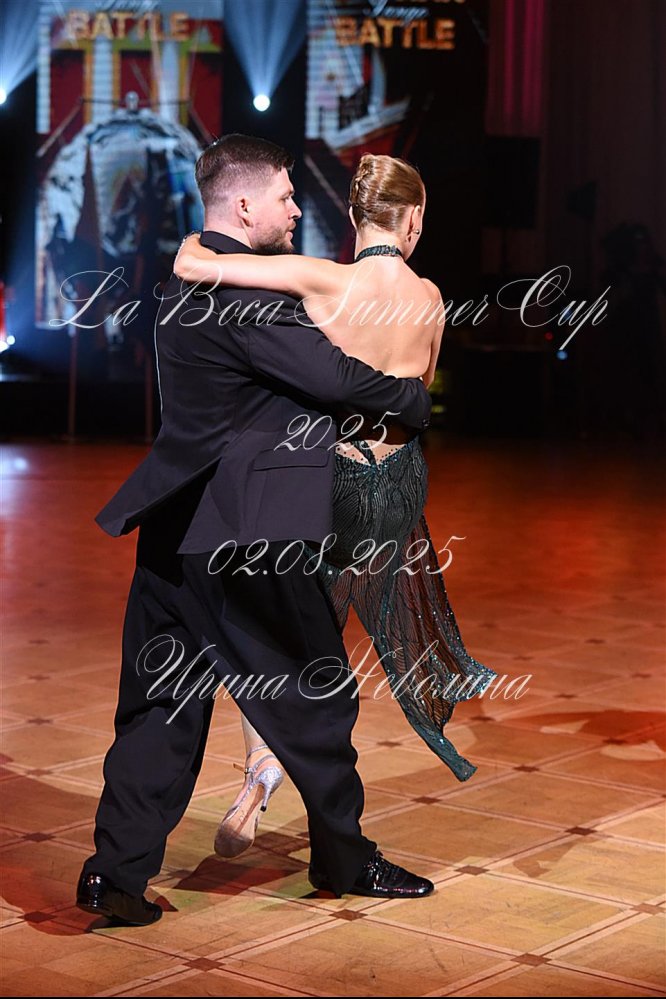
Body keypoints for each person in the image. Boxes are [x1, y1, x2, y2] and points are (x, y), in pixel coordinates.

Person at [76, 134, 436, 927]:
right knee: (318, 696)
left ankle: (115, 875)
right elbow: (333, 378)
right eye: (284, 196)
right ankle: (346, 859)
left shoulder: (186, 279)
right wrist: (414, 400)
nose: (296, 208)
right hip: (249, 533)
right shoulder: (246, 296)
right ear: (244, 205)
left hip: (175, 527)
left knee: (161, 704)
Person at [174, 153, 496, 861]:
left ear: (353, 217)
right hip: (401, 489)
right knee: (323, 634)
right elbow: (421, 390)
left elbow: (197, 267)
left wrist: (193, 238)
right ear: (413, 219)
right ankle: (314, 795)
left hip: (335, 482)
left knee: (275, 635)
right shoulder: (431, 296)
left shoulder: (323, 277)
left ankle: (261, 766)